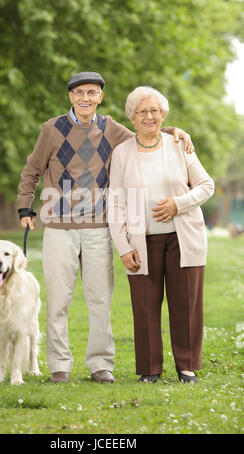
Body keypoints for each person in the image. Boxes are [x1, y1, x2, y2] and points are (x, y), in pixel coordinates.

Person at [17, 73, 193, 384]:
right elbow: (33, 168)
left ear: (100, 97)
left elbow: (145, 134)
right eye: (79, 92)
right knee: (59, 300)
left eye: (92, 92)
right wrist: (24, 206)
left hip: (99, 226)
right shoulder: (52, 129)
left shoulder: (112, 129)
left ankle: (100, 364)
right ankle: (60, 365)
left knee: (100, 299)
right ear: (71, 96)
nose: (85, 97)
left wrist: (171, 130)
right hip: (59, 226)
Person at [108, 86, 214, 384]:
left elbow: (206, 186)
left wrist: (177, 204)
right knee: (144, 307)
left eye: (155, 110)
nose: (149, 116)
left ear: (163, 114)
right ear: (132, 117)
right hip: (142, 241)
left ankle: (187, 366)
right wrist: (123, 246)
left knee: (186, 304)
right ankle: (150, 369)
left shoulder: (179, 145)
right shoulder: (121, 153)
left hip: (184, 238)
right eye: (142, 111)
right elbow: (115, 202)